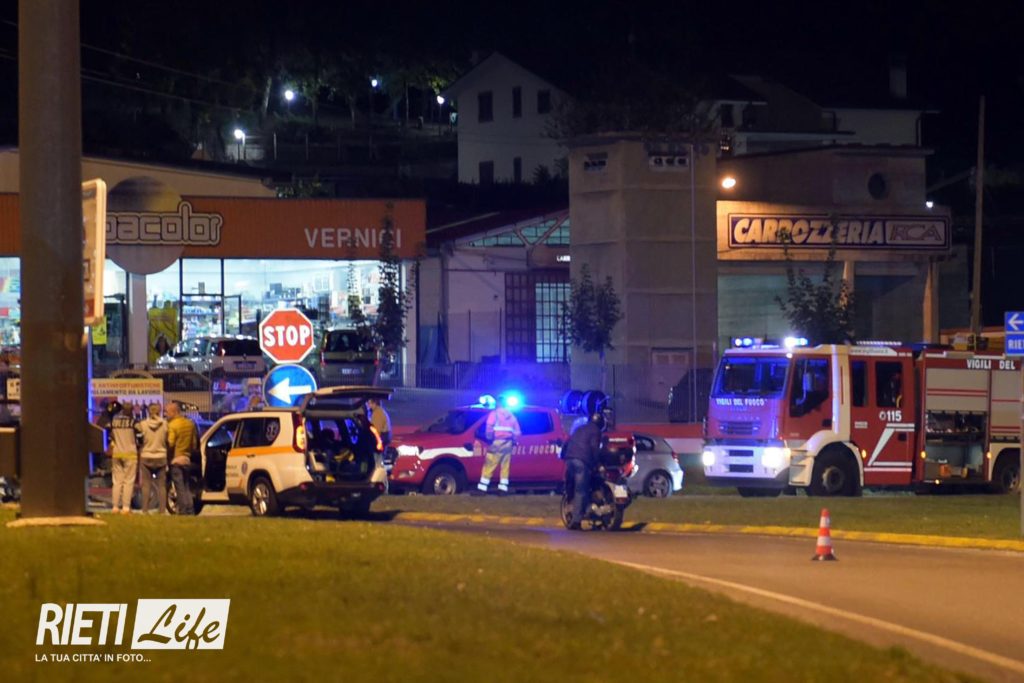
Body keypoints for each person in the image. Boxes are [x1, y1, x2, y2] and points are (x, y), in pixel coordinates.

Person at [561, 412, 606, 529]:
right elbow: (594, 448)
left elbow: (567, 442)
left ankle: (570, 505)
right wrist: (597, 463)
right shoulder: (596, 431)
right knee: (581, 491)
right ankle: (576, 521)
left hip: (570, 459)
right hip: (582, 461)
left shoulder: (580, 428)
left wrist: (563, 456)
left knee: (572, 486)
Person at [476, 402, 521, 494]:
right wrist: (514, 440)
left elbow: (489, 428)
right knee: (505, 466)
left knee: (489, 464)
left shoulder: (494, 414)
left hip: (496, 442)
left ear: (498, 404)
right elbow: (517, 432)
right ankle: (503, 489)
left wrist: (489, 439)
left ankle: (482, 488)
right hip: (508, 443)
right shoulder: (512, 416)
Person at [166, 401, 198, 515]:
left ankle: (183, 511)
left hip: (176, 460)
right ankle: (190, 510)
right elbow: (194, 444)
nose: (165, 415)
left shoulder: (172, 425)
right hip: (186, 459)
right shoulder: (190, 424)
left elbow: (170, 443)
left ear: (174, 412)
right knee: (186, 487)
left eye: (167, 412)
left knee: (179, 488)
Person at [136, 403, 169, 514]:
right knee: (162, 485)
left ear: (148, 412)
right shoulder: (165, 424)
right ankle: (162, 510)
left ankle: (145, 510)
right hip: (161, 456)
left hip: (146, 456)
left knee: (146, 485)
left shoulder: (143, 424)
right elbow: (167, 440)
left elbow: (139, 439)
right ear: (159, 411)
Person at [108, 401, 139, 515]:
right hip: (130, 453)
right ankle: (126, 507)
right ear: (131, 411)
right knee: (128, 481)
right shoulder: (133, 422)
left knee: (116, 481)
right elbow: (140, 436)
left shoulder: (114, 422)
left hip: (117, 453)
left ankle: (115, 507)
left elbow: (111, 435)